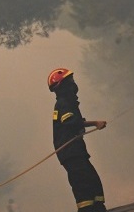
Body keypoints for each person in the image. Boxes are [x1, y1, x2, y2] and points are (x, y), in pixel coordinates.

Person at [48, 68, 108, 211]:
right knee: (83, 183)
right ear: (61, 86)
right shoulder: (64, 103)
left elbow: (73, 122)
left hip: (76, 151)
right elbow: (70, 122)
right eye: (70, 82)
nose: (73, 84)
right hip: (70, 151)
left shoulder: (67, 102)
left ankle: (98, 207)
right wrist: (94, 123)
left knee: (92, 179)